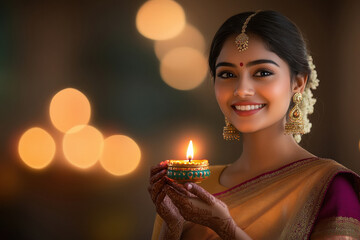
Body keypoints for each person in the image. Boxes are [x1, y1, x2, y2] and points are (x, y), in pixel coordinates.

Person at [148, 10, 360, 239]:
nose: (241, 90)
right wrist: (172, 226)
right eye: (228, 74)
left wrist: (226, 228)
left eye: (262, 72)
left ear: (298, 82)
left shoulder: (329, 187)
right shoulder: (194, 186)